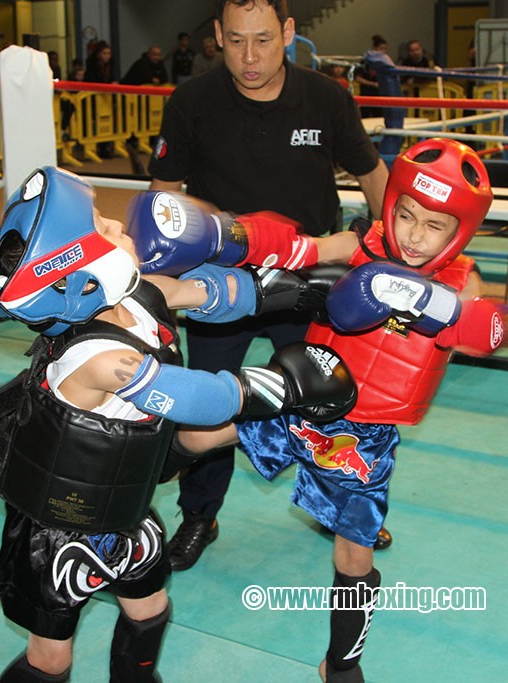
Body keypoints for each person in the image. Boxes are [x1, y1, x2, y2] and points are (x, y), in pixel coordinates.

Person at [131, 138, 504, 683]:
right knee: (196, 436)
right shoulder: (363, 245)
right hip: (301, 391)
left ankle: (342, 664)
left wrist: (436, 308)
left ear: (461, 233)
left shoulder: (462, 283)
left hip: (363, 440)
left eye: (434, 225)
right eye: (406, 216)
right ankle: (125, 500)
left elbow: (484, 333)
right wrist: (226, 235)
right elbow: (298, 248)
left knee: (353, 556)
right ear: (391, 204)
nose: (415, 235)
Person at [0, 166, 355, 681]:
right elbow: (198, 399)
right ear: (80, 275)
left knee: (148, 609)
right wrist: (277, 386)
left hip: (122, 504)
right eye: (102, 228)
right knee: (51, 657)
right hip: (57, 532)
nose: (118, 224)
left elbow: (200, 292)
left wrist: (284, 290)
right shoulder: (100, 359)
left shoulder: (131, 293)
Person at [147, 0, 391, 572]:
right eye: (235, 41)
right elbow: (164, 196)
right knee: (207, 402)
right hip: (221, 281)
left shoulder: (326, 97)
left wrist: (390, 255)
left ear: (287, 32)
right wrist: (214, 233)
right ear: (217, 36)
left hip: (309, 278)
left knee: (327, 400)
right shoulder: (192, 102)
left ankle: (345, 515)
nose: (249, 57)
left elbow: (373, 173)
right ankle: (199, 517)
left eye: (262, 40)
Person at [354, 35, 389, 118]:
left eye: (384, 49)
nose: (382, 51)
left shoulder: (386, 63)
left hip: (380, 97)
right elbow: (357, 78)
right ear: (374, 48)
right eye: (380, 48)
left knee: (379, 119)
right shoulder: (365, 61)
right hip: (366, 95)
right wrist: (372, 84)